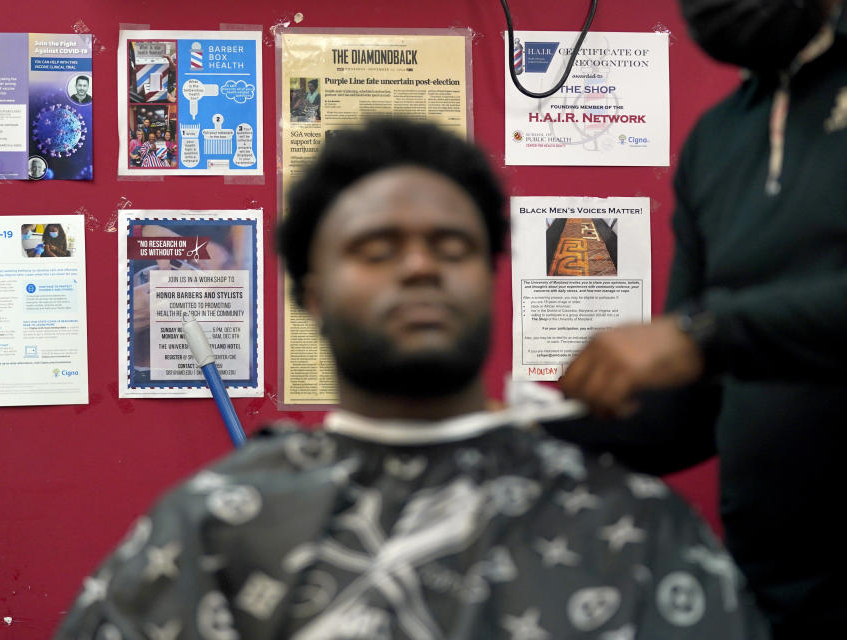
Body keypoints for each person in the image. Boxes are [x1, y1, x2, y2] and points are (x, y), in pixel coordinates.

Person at [55, 119, 766, 639]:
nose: (420, 266)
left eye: (451, 246)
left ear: (489, 280)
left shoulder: (633, 528)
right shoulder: (212, 527)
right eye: (376, 248)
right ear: (312, 296)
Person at [549, 1, 847, 637]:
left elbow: (705, 341)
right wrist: (532, 433)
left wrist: (709, 335)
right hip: (775, 604)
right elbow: (685, 408)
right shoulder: (718, 140)